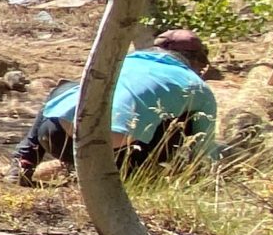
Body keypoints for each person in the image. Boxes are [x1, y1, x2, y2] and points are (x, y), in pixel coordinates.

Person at [13, 29, 218, 183]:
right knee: (187, 120)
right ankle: (142, 178)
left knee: (66, 89)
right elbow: (202, 150)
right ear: (196, 61)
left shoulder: (118, 61)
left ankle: (24, 160)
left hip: (56, 138)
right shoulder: (196, 85)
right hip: (122, 158)